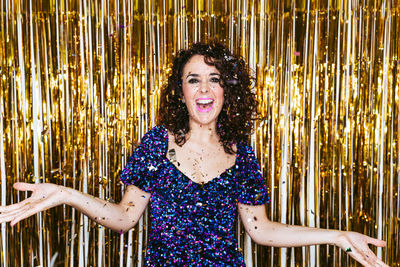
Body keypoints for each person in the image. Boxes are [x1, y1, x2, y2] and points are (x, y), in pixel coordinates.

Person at [0, 42, 388, 266]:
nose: (204, 89)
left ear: (226, 91)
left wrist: (336, 236)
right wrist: (65, 195)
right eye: (193, 79)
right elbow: (123, 218)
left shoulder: (243, 155)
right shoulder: (156, 144)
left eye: (214, 79)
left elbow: (261, 230)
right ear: (181, 91)